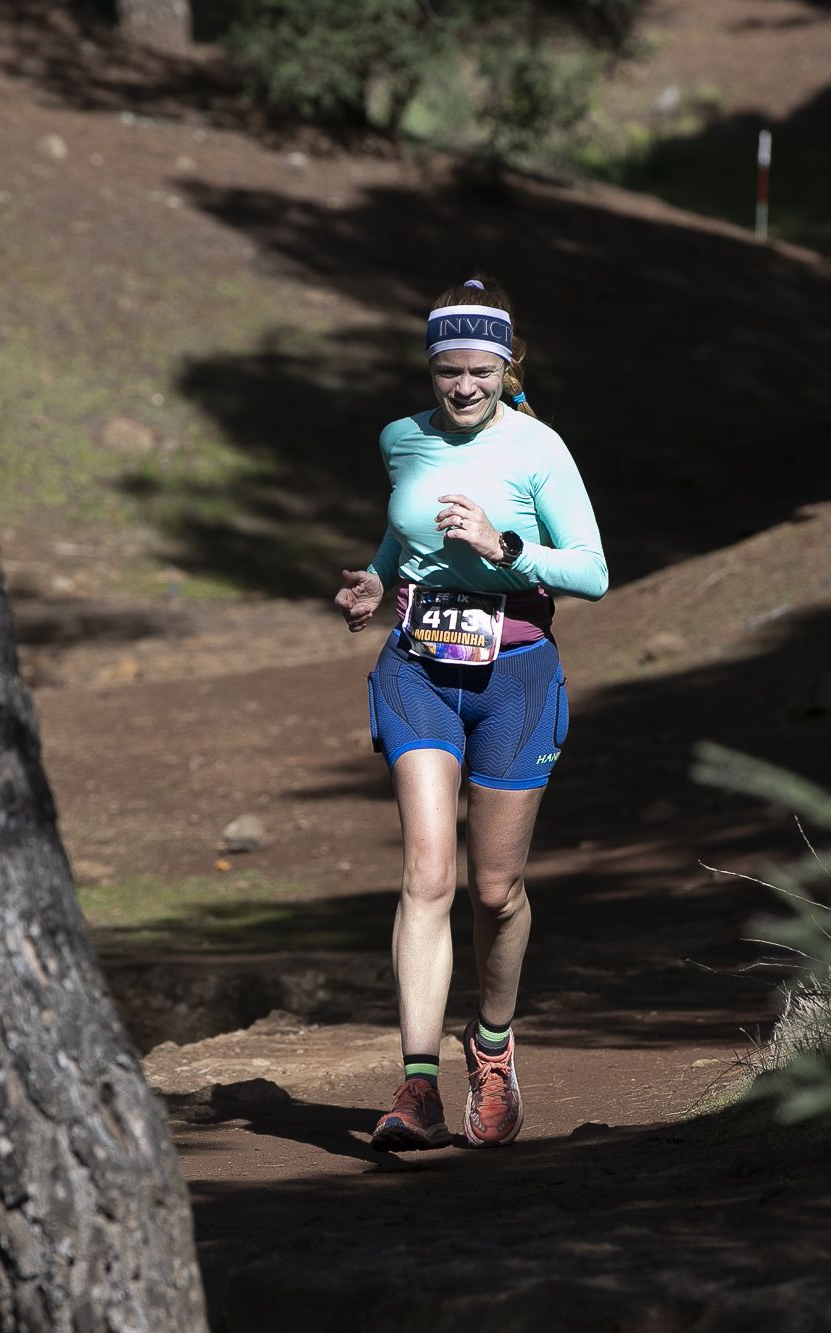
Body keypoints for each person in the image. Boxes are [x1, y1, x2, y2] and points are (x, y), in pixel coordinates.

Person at [333, 277, 608, 1150]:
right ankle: (417, 1088)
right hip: (417, 667)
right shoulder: (400, 440)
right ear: (430, 367)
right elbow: (403, 534)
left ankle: (491, 1043)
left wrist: (503, 546)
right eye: (447, 371)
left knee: (496, 890)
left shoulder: (539, 448)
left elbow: (594, 571)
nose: (461, 388)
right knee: (428, 872)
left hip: (517, 677)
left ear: (504, 365)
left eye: (478, 372)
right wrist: (379, 581)